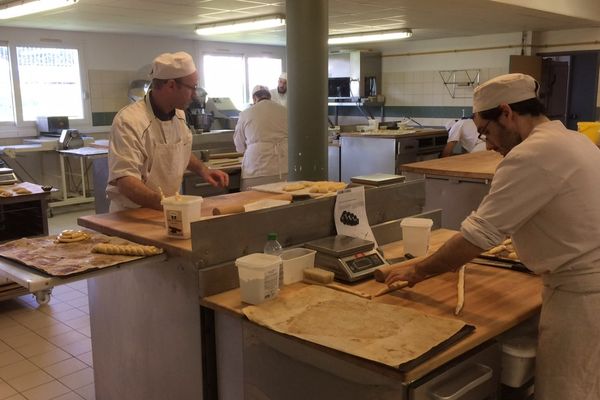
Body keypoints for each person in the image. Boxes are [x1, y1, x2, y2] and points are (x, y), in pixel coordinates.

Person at [386, 73, 600, 399]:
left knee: (568, 391)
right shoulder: (570, 138)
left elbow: (478, 236)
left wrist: (416, 271)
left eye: (486, 131)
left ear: (506, 112)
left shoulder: (532, 154)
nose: (488, 144)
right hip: (582, 283)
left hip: (584, 295)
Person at [107, 52, 229, 211]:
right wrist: (168, 204)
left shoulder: (179, 114)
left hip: (167, 210)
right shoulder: (129, 121)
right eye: (191, 88)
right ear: (171, 85)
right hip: (131, 214)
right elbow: (125, 181)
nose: (194, 95)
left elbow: (179, 149)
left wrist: (203, 170)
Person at [234, 85, 288, 190]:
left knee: (253, 203)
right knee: (282, 202)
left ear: (254, 99)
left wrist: (245, 149)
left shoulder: (246, 114)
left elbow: (239, 144)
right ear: (270, 97)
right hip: (283, 169)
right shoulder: (284, 111)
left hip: (256, 169)